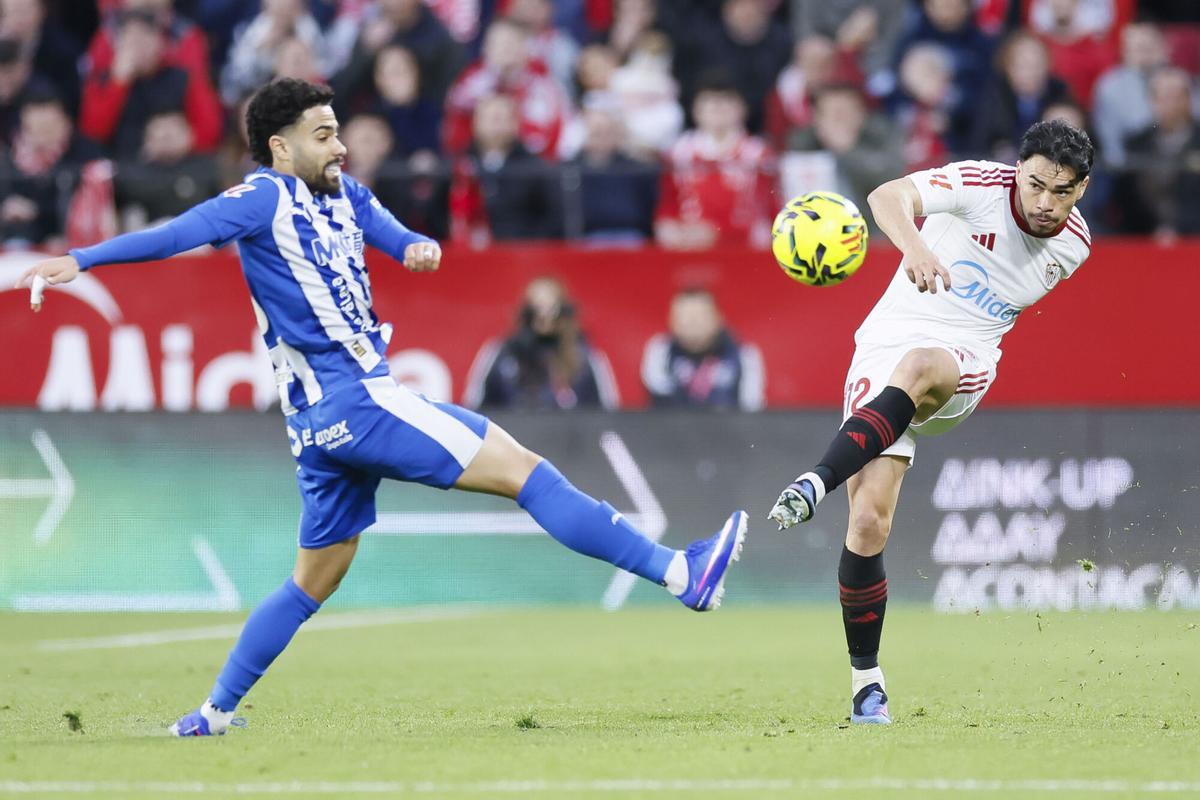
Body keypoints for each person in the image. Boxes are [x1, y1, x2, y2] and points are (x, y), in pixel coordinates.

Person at [17, 78, 749, 737]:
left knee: (313, 580)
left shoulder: (345, 194)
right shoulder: (263, 197)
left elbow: (394, 235)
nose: (340, 146)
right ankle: (681, 576)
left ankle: (212, 714)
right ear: (280, 146)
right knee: (524, 470)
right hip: (359, 401)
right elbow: (179, 235)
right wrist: (81, 260)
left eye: (338, 131)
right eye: (324, 134)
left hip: (318, 429)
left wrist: (417, 246)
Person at [767, 119, 1094, 725]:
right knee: (867, 522)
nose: (1047, 203)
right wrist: (916, 246)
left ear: (1082, 189)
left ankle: (814, 480)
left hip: (962, 363)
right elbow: (886, 197)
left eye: (1064, 190)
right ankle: (868, 686)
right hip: (886, 343)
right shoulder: (978, 184)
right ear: (1018, 169)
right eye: (1037, 185)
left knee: (921, 367)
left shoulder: (1074, 246)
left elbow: (992, 296)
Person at [467, 275, 619, 410]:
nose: (544, 316)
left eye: (551, 308)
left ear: (563, 310)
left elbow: (607, 412)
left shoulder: (585, 357)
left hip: (571, 439)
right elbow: (475, 407)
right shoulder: (501, 353)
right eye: (536, 308)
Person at [640, 287, 764, 411]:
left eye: (700, 316)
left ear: (718, 318)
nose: (692, 324)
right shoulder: (660, 351)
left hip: (729, 428)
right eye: (684, 317)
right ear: (671, 321)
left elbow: (752, 409)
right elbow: (659, 402)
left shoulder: (744, 354)